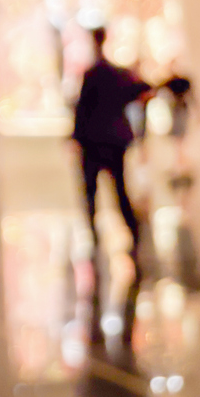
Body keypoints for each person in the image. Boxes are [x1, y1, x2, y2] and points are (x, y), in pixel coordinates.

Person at [72, 27, 150, 256]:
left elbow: (82, 109)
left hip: (95, 142)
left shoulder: (96, 74)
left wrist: (76, 138)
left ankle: (98, 235)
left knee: (92, 191)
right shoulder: (117, 74)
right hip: (113, 140)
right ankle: (133, 232)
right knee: (118, 190)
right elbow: (141, 90)